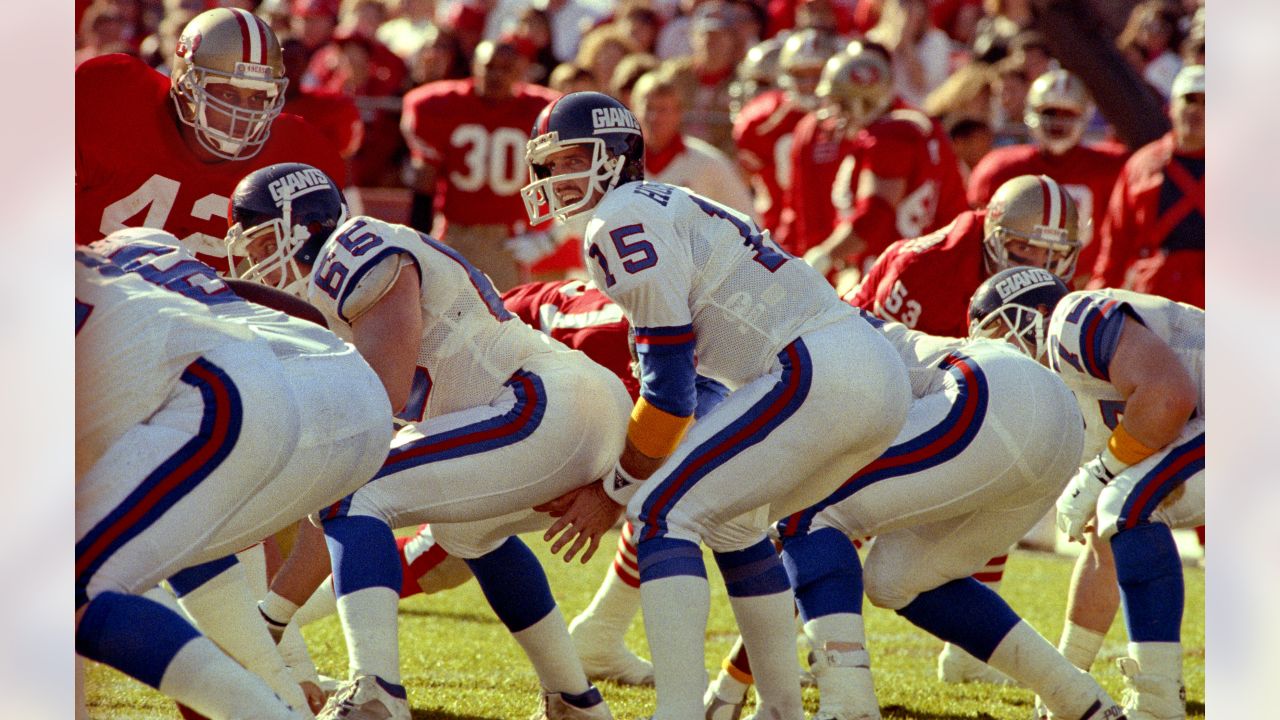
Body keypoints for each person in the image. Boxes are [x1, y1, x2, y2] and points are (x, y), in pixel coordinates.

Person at [520, 91, 912, 720]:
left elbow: (670, 396)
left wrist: (614, 487)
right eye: (550, 164)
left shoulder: (618, 220)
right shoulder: (662, 204)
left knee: (657, 513)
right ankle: (780, 706)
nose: (556, 178)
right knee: (736, 523)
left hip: (818, 367)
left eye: (569, 160)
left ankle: (676, 712)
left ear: (615, 156)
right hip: (862, 372)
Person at [225, 162, 626, 720]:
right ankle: (574, 701)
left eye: (264, 241)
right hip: (556, 408)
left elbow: (378, 400)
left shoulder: (353, 249)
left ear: (303, 226)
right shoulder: (336, 294)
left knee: (351, 491)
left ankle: (377, 694)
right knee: (469, 534)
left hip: (539, 400)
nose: (256, 261)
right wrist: (271, 619)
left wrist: (268, 620)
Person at [75, 237, 392, 720]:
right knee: (151, 542)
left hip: (242, 392)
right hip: (336, 380)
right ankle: (285, 691)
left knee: (71, 583)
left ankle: (279, 698)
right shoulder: (137, 249)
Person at [767, 301, 1127, 720]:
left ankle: (849, 706)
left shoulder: (799, 336)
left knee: (808, 508)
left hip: (993, 392)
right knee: (895, 581)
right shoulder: (832, 325)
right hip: (1059, 425)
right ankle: (1079, 700)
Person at [970, 266, 1204, 720]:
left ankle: (1157, 704)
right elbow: (1105, 548)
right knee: (1118, 512)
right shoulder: (1071, 398)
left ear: (1037, 313)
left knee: (1127, 501)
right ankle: (1106, 678)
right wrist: (1066, 677)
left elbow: (1169, 395)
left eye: (999, 330)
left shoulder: (1073, 320)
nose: (995, 351)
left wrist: (1100, 474)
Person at [76, 7, 346, 268]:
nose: (243, 113)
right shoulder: (114, 98)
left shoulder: (294, 153)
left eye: (257, 97)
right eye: (228, 94)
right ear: (187, 86)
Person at [400, 39, 560, 291]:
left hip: (506, 237)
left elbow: (561, 180)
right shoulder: (440, 105)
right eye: (490, 66)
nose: (497, 74)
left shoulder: (542, 110)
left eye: (506, 68)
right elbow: (424, 180)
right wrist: (417, 238)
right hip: (455, 232)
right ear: (475, 67)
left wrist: (549, 235)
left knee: (506, 315)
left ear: (520, 72)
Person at [802, 43, 969, 283]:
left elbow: (876, 213)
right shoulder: (915, 123)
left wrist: (823, 256)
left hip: (897, 272)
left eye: (840, 103)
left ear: (864, 101)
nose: (833, 113)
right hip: (927, 264)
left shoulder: (888, 136)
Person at [849, 173, 1082, 337]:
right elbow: (881, 363)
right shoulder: (926, 271)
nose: (1037, 269)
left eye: (1053, 254)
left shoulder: (1052, 274)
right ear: (991, 237)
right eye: (1024, 248)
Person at [968, 69, 1130, 286]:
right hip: (1014, 281)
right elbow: (977, 240)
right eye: (1051, 112)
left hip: (1088, 284)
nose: (1058, 122)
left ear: (1084, 115)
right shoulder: (998, 168)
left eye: (1067, 113)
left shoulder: (1113, 166)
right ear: (1032, 111)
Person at [1087, 65, 1204, 308]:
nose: (1197, 110)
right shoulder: (1142, 164)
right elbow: (1114, 247)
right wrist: (1094, 302)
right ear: (1171, 108)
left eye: (1207, 102)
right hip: (1154, 298)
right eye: (1189, 100)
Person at [733, 29, 842, 245]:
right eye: (801, 75)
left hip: (838, 228)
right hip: (778, 234)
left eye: (817, 74)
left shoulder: (849, 118)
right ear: (785, 75)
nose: (810, 83)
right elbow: (746, 181)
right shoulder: (760, 121)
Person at [631, 67, 756, 217]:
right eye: (649, 108)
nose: (655, 118)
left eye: (663, 109)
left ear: (679, 112)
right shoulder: (620, 163)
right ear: (633, 109)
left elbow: (747, 220)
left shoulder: (709, 164)